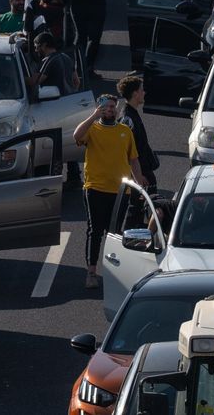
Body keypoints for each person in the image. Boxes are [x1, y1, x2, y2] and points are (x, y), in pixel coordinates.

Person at [74, 93, 144, 290]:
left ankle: (115, 273)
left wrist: (139, 184)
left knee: (114, 234)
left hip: (120, 190)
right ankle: (91, 272)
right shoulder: (92, 129)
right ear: (99, 108)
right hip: (95, 188)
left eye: (113, 107)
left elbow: (134, 160)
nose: (110, 110)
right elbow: (77, 136)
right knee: (95, 231)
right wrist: (93, 116)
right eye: (106, 107)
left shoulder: (125, 131)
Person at [117, 75, 160, 196]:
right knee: (139, 210)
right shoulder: (128, 119)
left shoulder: (132, 114)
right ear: (135, 94)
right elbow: (126, 151)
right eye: (142, 90)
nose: (144, 92)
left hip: (144, 171)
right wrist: (138, 177)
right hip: (140, 175)